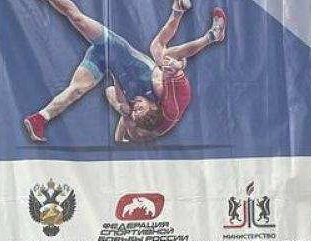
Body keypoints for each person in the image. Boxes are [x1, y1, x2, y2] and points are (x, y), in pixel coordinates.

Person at [23, 0, 226, 144]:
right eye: (140, 108)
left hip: (104, 61)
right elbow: (174, 67)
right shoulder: (158, 88)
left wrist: (122, 107)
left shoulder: (130, 108)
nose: (136, 106)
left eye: (135, 111)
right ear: (153, 106)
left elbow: (111, 90)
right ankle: (197, 26)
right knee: (78, 19)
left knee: (76, 90)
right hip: (115, 49)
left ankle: (39, 119)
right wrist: (178, 67)